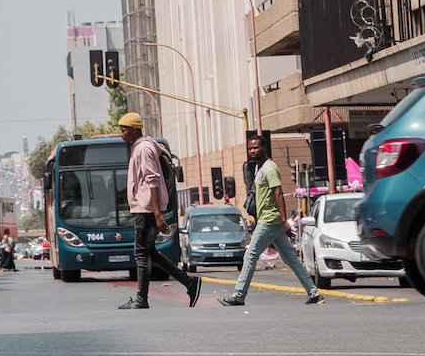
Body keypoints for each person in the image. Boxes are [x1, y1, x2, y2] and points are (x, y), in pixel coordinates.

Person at [221, 135, 324, 307]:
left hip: (270, 220)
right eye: (250, 148)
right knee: (290, 258)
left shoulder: (270, 168)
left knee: (250, 254)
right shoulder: (259, 168)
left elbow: (278, 192)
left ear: (264, 148)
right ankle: (314, 293)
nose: (252, 151)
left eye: (255, 147)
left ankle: (239, 294)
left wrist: (283, 219)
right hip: (268, 219)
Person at [116, 112, 200, 310]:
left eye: (125, 130)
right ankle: (189, 283)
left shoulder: (144, 149)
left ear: (135, 129)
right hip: (145, 208)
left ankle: (141, 299)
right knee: (149, 252)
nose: (122, 134)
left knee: (141, 254)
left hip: (146, 210)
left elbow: (152, 181)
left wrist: (157, 214)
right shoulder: (140, 147)